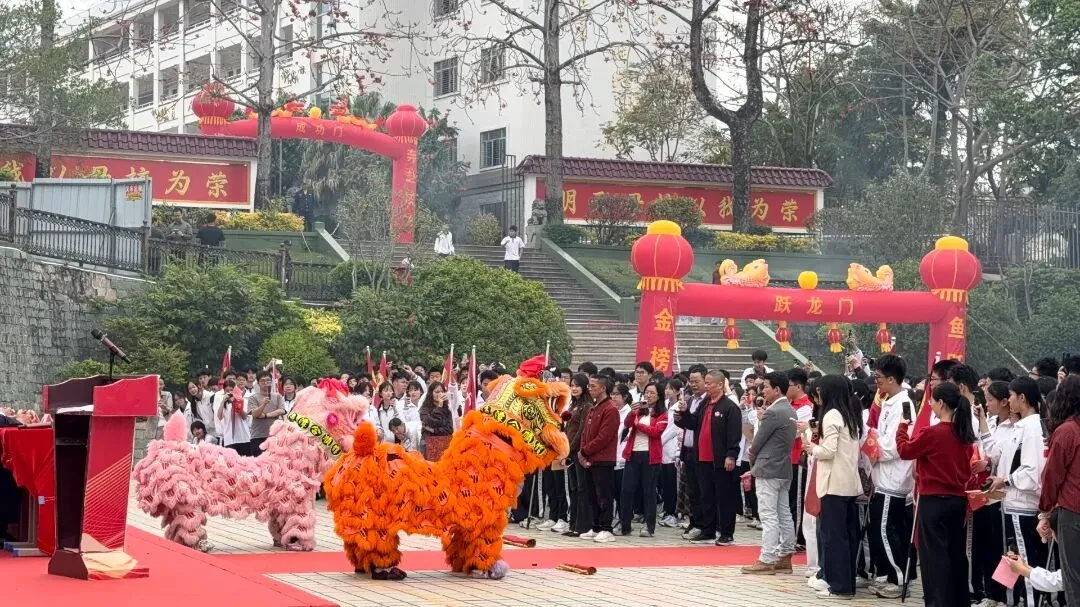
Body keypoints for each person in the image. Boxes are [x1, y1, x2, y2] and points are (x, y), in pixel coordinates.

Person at [896, 382, 977, 607]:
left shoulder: (933, 433)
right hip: (957, 501)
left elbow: (905, 451)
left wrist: (902, 429)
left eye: (932, 401)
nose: (929, 404)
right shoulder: (964, 435)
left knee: (934, 557)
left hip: (933, 500)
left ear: (941, 403)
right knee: (955, 554)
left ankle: (937, 601)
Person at [986, 376, 1048, 607]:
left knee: (1024, 559)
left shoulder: (1032, 428)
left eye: (1011, 396)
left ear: (1022, 398)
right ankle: (1011, 600)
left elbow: (1032, 470)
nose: (1009, 400)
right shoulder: (1021, 426)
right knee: (1013, 557)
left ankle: (1031, 601)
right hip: (1011, 503)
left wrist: (1006, 480)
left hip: (1022, 504)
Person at [805, 375, 864, 599]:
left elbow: (828, 451)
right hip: (848, 484)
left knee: (834, 537)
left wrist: (811, 447)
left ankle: (838, 585)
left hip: (833, 485)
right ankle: (846, 583)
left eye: (820, 390)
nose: (818, 395)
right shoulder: (850, 414)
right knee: (847, 536)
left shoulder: (831, 415)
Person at [868, 354, 917, 599]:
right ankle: (888, 574)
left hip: (894, 478)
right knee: (880, 528)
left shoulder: (904, 404)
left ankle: (897, 578)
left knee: (886, 530)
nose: (876, 381)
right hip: (883, 477)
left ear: (891, 378)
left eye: (878, 377)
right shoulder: (888, 401)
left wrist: (873, 447)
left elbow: (898, 444)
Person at [741, 371, 798, 575]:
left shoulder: (773, 412)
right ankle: (785, 555)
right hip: (783, 467)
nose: (762, 391)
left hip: (768, 468)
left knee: (768, 514)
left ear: (776, 389)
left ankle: (767, 558)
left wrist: (752, 456)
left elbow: (757, 442)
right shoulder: (790, 410)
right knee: (783, 513)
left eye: (765, 387)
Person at [1039, 375, 1080, 604]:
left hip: (1073, 512)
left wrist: (1045, 511)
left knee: (1073, 579)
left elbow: (1052, 477)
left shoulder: (1066, 432)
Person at [692, 370, 743, 546]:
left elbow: (734, 434)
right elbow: (693, 424)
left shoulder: (729, 407)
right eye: (705, 383)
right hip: (702, 458)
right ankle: (708, 530)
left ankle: (727, 533)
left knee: (724, 497)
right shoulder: (704, 404)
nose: (706, 386)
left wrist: (731, 455)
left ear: (720, 385)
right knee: (706, 496)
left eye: (708, 383)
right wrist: (682, 415)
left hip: (720, 459)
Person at [617, 381, 668, 537]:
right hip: (633, 453)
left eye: (652, 393)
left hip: (650, 456)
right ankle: (625, 525)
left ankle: (649, 526)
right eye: (646, 392)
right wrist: (633, 413)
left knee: (649, 492)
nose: (648, 395)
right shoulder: (639, 411)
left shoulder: (662, 414)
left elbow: (655, 432)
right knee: (626, 490)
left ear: (659, 396)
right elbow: (627, 424)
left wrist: (638, 425)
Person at [579, 375, 619, 543]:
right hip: (589, 458)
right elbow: (584, 432)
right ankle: (595, 526)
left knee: (604, 495)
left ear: (603, 388)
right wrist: (582, 452)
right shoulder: (593, 407)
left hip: (603, 459)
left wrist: (586, 451)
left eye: (593, 386)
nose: (589, 388)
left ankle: (606, 528)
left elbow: (604, 437)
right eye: (589, 386)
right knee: (592, 495)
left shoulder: (610, 409)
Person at [675, 364, 708, 539]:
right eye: (691, 381)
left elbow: (697, 423)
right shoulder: (688, 399)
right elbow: (685, 424)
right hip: (687, 450)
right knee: (691, 491)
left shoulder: (707, 401)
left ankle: (703, 524)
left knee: (702, 490)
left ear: (706, 380)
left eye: (697, 381)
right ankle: (694, 521)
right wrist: (679, 416)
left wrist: (686, 415)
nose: (693, 384)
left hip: (700, 451)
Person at [562, 373, 594, 537]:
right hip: (569, 451)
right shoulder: (572, 405)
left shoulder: (587, 405)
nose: (574, 388)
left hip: (578, 451)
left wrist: (571, 447)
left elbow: (581, 431)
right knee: (573, 489)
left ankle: (582, 525)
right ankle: (572, 523)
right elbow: (568, 429)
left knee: (582, 488)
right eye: (572, 385)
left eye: (577, 385)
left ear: (584, 387)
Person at [659, 378, 683, 528]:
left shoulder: (678, 407)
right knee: (665, 483)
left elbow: (673, 429)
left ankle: (672, 513)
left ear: (678, 391)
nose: (667, 391)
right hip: (663, 450)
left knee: (672, 483)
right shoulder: (666, 406)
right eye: (666, 388)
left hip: (671, 448)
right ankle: (667, 511)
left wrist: (658, 441)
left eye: (671, 389)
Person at [248, 372, 285, 456]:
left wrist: (265, 415)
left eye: (268, 381)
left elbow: (282, 410)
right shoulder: (253, 398)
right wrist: (263, 404)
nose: (265, 383)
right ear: (258, 383)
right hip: (258, 436)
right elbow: (255, 414)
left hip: (275, 435)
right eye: (262, 381)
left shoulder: (278, 396)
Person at [419, 382, 454, 461]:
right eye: (437, 392)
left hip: (444, 444)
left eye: (442, 392)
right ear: (431, 393)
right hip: (429, 444)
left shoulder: (447, 409)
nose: (440, 394)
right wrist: (439, 407)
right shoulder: (424, 409)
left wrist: (434, 430)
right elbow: (433, 422)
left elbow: (449, 429)